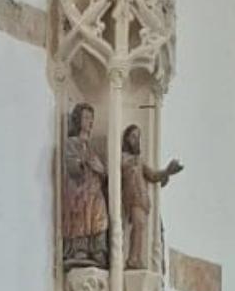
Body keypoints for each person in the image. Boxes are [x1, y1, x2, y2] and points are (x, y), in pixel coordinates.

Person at [120, 123, 182, 270]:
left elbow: (153, 175)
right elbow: (122, 167)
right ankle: (132, 258)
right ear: (126, 139)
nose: (136, 140)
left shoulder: (140, 160)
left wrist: (167, 171)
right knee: (137, 225)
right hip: (132, 198)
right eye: (133, 136)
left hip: (142, 199)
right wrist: (132, 161)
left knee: (140, 226)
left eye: (138, 137)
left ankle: (136, 257)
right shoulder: (124, 157)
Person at [62, 103, 109, 269]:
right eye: (87, 117)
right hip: (79, 190)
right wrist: (84, 163)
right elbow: (71, 167)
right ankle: (80, 249)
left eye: (92, 118)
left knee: (100, 216)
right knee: (80, 216)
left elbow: (100, 170)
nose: (91, 121)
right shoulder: (71, 143)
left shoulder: (90, 146)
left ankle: (98, 249)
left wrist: (101, 171)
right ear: (78, 120)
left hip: (94, 191)